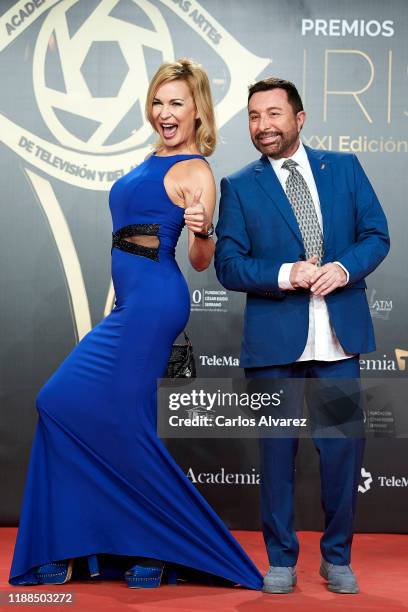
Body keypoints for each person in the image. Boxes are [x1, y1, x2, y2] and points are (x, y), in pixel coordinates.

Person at [9, 59, 263, 591]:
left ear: (197, 112)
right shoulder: (151, 157)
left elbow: (199, 260)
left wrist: (203, 228)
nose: (164, 113)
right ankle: (103, 543)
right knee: (96, 414)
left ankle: (157, 544)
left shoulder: (196, 170)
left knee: (79, 408)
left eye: (176, 103)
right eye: (157, 102)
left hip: (155, 304)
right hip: (131, 305)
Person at [215, 77, 389, 595]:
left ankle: (336, 557)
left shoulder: (345, 169)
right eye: (253, 116)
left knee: (341, 455)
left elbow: (376, 235)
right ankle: (281, 558)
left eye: (273, 114)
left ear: (299, 117)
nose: (262, 126)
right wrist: (286, 273)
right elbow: (228, 265)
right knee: (276, 455)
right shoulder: (240, 186)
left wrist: (342, 267)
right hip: (274, 348)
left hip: (338, 344)